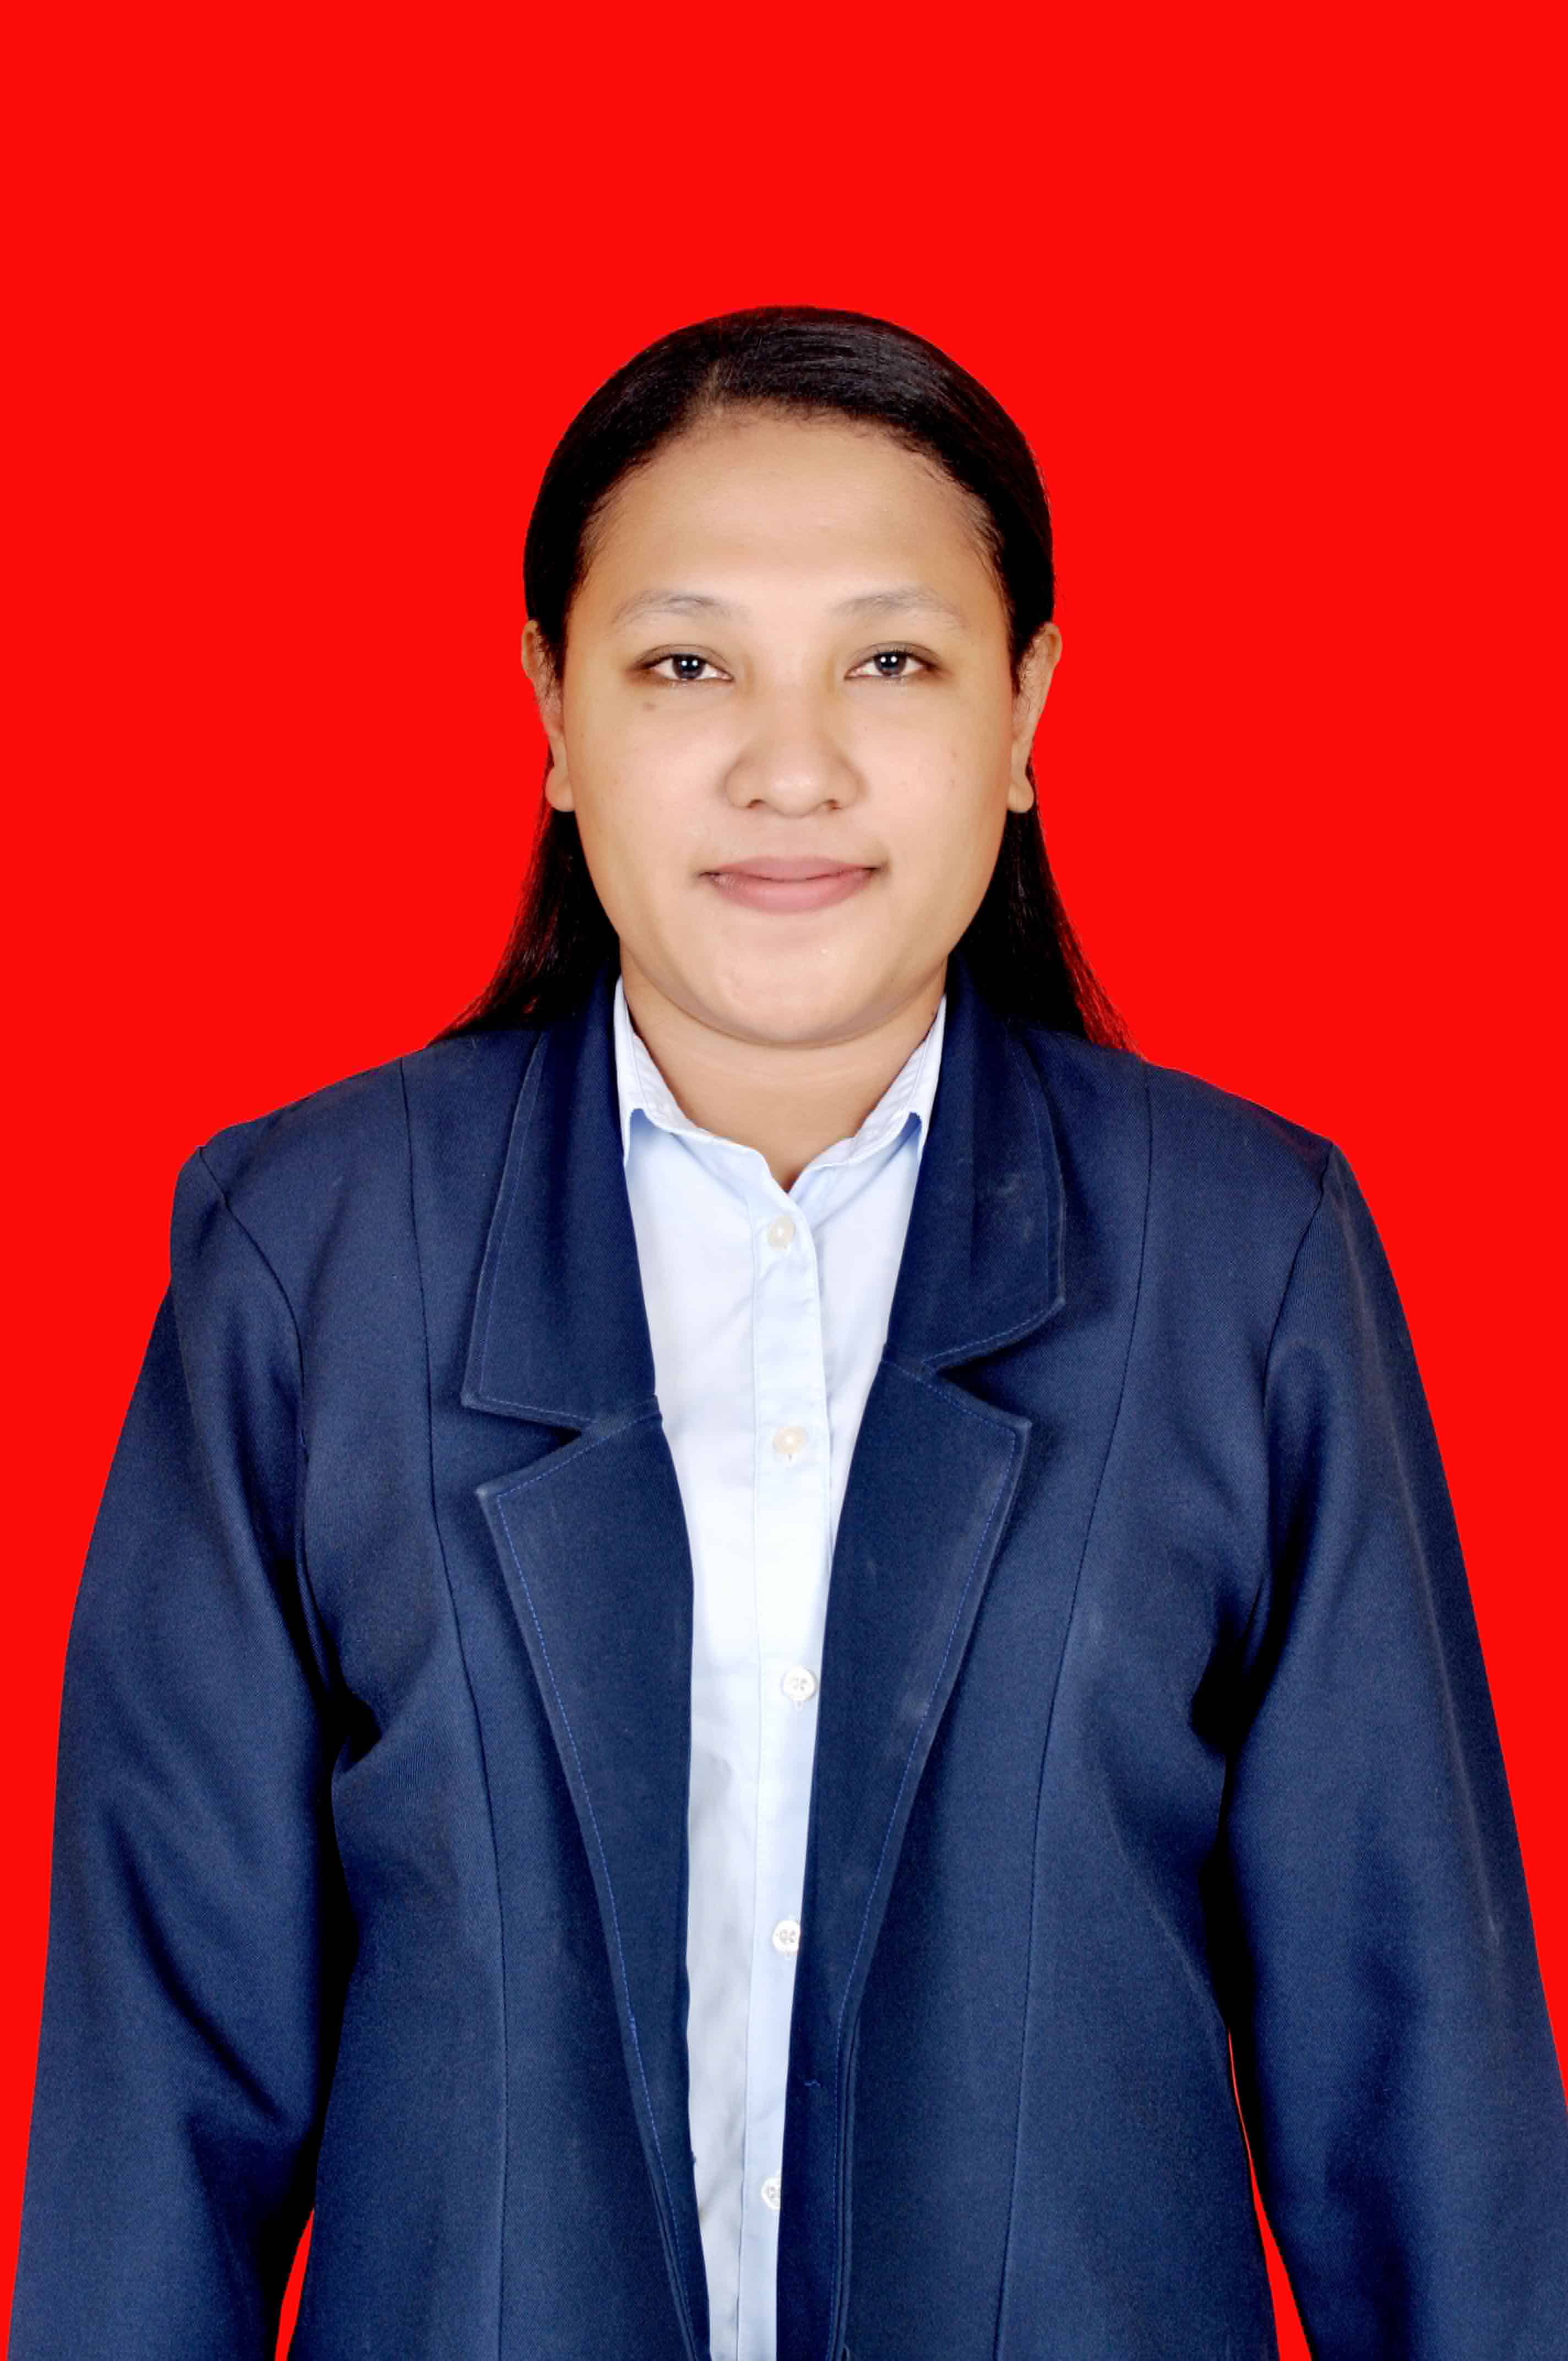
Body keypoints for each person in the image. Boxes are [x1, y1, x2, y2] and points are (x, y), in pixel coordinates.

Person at [10, 303, 1566, 2361]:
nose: (793, 764)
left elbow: (1417, 2087)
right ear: (552, 712)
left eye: (891, 662)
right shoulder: (311, 1252)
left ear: (1027, 711)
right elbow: (160, 2098)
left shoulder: (1245, 1253)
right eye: (687, 664)